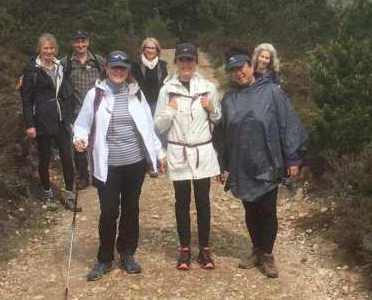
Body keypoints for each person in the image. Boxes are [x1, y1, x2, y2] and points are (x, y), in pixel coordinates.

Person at [74, 50, 167, 281]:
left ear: (128, 71)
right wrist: (79, 138)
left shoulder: (136, 94)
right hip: (107, 165)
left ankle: (126, 252)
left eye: (122, 68)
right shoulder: (95, 95)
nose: (118, 71)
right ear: (107, 69)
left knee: (131, 209)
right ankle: (104, 258)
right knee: (108, 211)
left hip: (134, 164)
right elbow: (82, 124)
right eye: (114, 67)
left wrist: (159, 153)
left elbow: (147, 127)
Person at [220, 47, 307, 278]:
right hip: (242, 163)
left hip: (268, 162)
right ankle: (256, 249)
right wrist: (224, 166)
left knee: (267, 210)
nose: (239, 73)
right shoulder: (229, 98)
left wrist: (292, 158)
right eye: (233, 70)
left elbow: (287, 124)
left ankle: (267, 255)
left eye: (242, 68)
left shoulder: (272, 92)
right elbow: (223, 135)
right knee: (250, 208)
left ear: (251, 66)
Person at [154, 43, 221, 271]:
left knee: (203, 202)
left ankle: (205, 249)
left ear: (196, 62)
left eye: (190, 60)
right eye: (182, 60)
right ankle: (184, 250)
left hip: (202, 152)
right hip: (178, 152)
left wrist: (212, 109)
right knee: (182, 202)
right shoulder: (167, 90)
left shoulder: (208, 88)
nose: (186, 65)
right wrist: (170, 110)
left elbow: (218, 120)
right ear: (176, 63)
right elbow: (158, 126)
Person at [21, 33, 77, 211]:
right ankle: (48, 194)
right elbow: (27, 100)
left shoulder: (60, 67)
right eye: (45, 48)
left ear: (56, 49)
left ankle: (69, 194)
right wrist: (30, 124)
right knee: (45, 159)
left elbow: (66, 95)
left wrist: (70, 119)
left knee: (68, 159)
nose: (49, 51)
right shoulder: (31, 70)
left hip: (60, 119)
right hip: (42, 121)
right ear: (39, 49)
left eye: (52, 48)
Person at [62, 29, 105, 190]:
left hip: (98, 108)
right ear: (73, 43)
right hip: (76, 109)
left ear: (88, 42)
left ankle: (99, 173)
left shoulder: (99, 61)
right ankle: (83, 176)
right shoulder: (65, 62)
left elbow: (112, 77)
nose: (80, 45)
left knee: (98, 141)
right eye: (77, 41)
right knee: (79, 144)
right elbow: (49, 71)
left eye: (83, 41)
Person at [131, 37, 168, 116]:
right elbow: (132, 83)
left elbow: (165, 84)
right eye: (148, 48)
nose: (150, 50)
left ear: (157, 50)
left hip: (158, 103)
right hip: (140, 103)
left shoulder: (162, 65)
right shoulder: (136, 64)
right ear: (144, 49)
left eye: (153, 48)